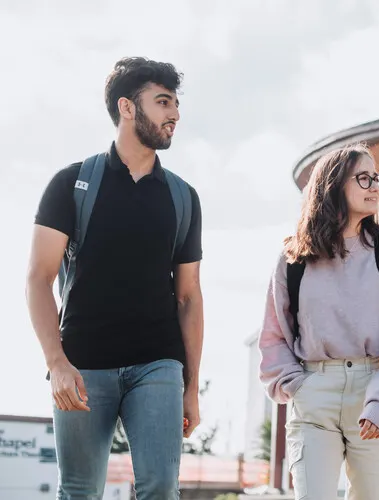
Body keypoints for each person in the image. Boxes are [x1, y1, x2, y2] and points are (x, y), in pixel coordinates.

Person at [26, 57, 203, 499]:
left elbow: (189, 299)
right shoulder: (71, 185)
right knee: (82, 490)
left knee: (162, 486)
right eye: (163, 101)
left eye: (176, 103)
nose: (174, 114)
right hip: (84, 364)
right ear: (127, 108)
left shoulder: (183, 197)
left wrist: (191, 387)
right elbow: (37, 278)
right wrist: (56, 363)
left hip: (158, 364)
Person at [258, 144, 379, 500]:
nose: (375, 186)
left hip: (375, 391)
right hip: (314, 391)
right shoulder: (293, 259)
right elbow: (274, 335)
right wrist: (296, 385)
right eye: (363, 178)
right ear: (332, 184)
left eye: (377, 178)